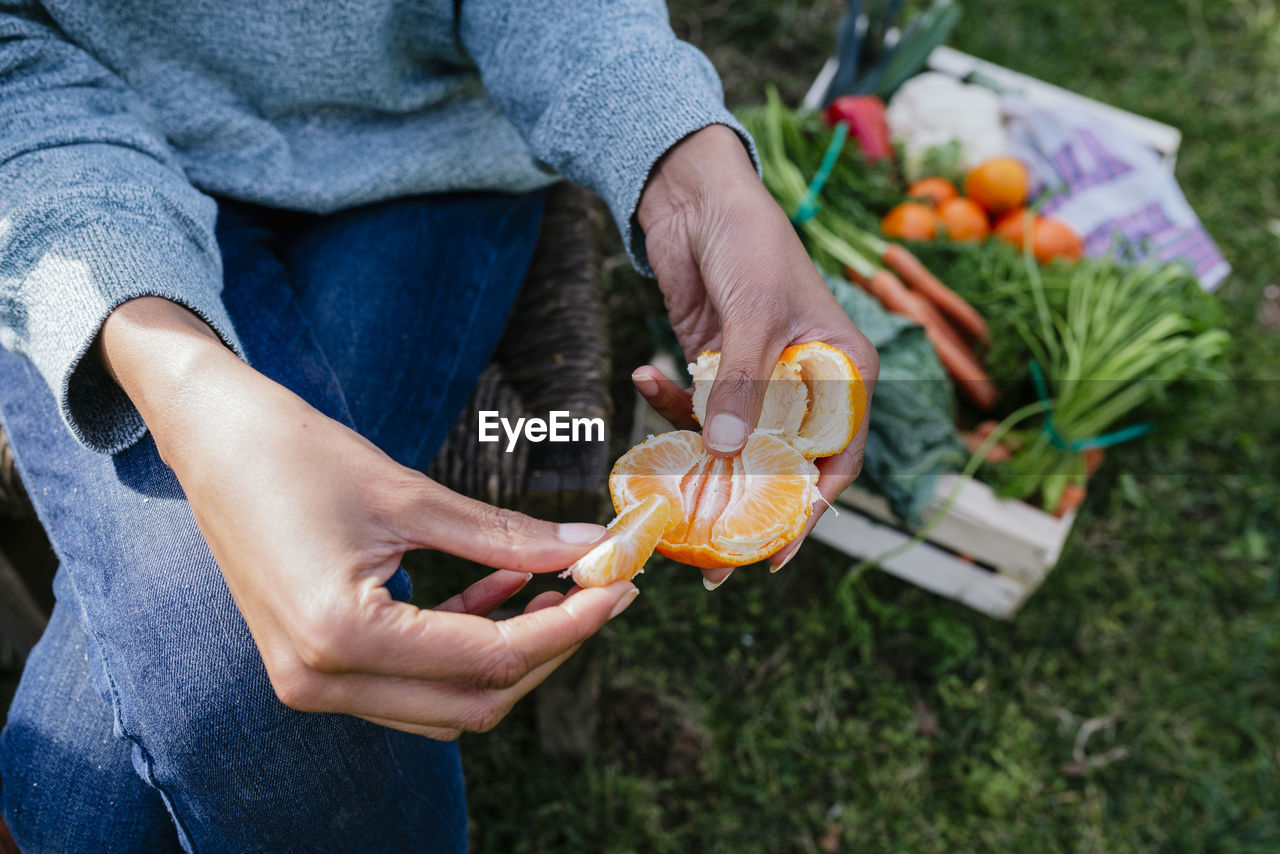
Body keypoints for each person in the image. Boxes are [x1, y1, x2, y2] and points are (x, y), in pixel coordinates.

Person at [0, 0, 878, 849]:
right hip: (78, 177)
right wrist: (182, 379)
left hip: (426, 162)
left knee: (100, 797)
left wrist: (692, 172)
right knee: (220, 646)